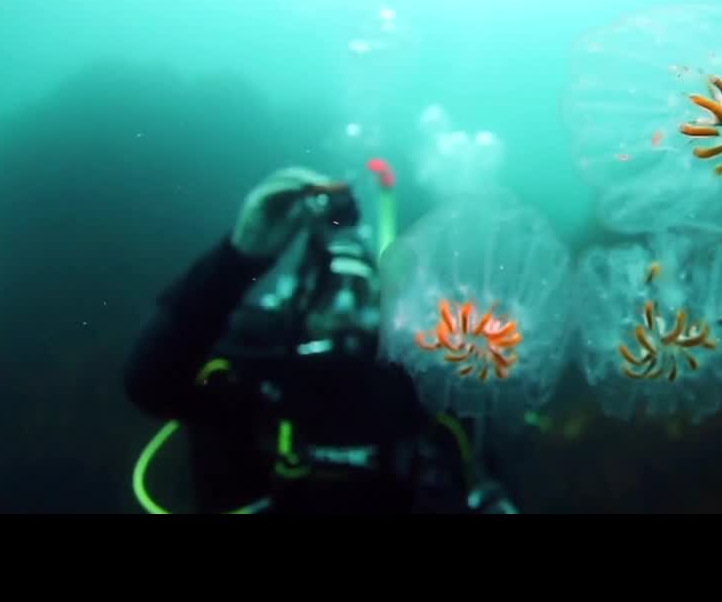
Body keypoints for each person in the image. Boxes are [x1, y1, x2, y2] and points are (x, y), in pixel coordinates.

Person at [124, 165, 519, 514]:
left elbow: (482, 462)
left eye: (360, 290)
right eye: (329, 288)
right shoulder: (255, 373)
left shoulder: (414, 391)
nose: (345, 307)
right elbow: (149, 383)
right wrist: (238, 257)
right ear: (298, 298)